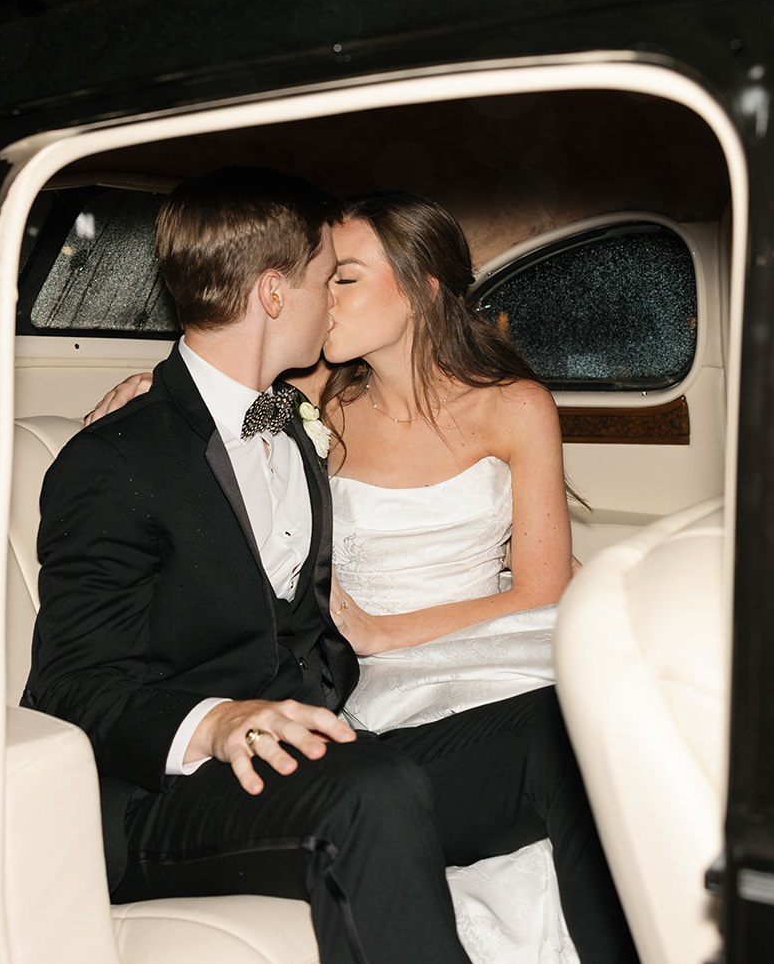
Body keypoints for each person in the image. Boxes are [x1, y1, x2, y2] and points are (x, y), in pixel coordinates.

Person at [46, 169, 635, 964]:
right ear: (276, 294)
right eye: (331, 278)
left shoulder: (290, 428)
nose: (335, 302)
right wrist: (218, 722)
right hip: (178, 791)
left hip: (329, 736)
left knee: (561, 733)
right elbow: (69, 688)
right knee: (373, 787)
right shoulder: (115, 462)